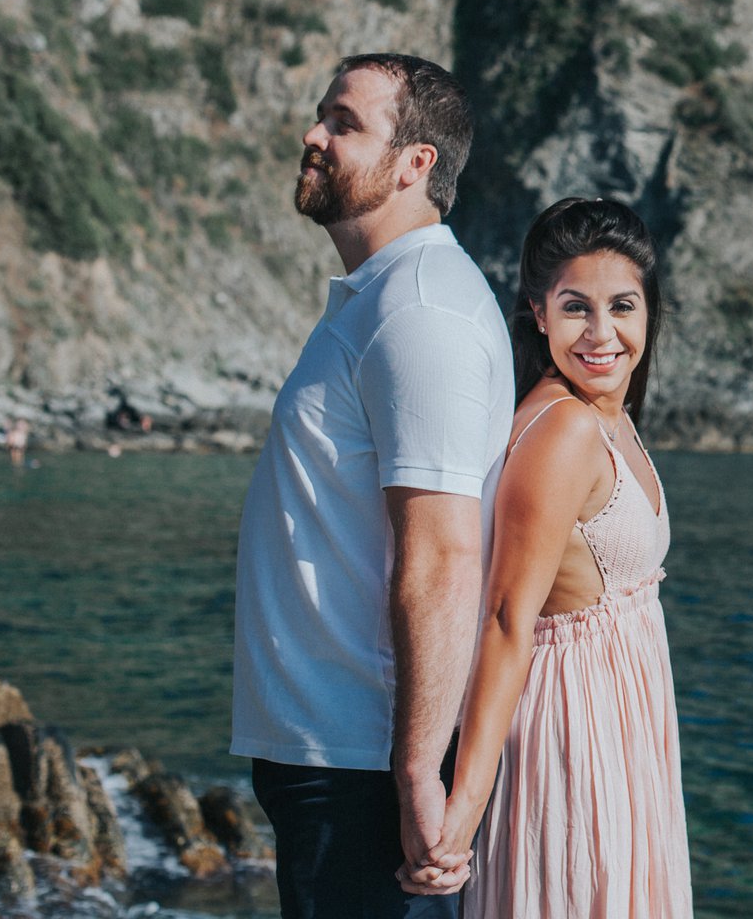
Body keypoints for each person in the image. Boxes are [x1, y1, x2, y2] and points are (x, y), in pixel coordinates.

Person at [230, 53, 514, 917]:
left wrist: (417, 772)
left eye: (344, 123)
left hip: (363, 766)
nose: (312, 135)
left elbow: (444, 554)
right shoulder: (380, 299)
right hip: (331, 754)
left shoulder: (421, 311)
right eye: (322, 115)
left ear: (414, 163)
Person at [400, 197, 693, 916]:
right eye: (575, 308)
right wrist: (460, 813)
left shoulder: (607, 414)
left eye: (621, 306)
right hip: (575, 736)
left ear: (649, 312)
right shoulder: (564, 429)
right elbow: (506, 621)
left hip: (620, 732)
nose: (601, 333)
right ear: (538, 312)